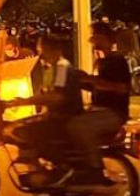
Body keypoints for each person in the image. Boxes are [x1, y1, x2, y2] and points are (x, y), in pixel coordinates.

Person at [67, 22, 131, 186]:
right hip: (97, 111)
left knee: (78, 126)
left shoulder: (117, 61)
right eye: (93, 38)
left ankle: (96, 170)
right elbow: (96, 87)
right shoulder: (100, 63)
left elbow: (120, 88)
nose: (93, 42)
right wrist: (78, 81)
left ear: (107, 39)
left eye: (97, 37)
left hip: (113, 113)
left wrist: (91, 79)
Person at [6, 35, 83, 173]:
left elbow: (57, 98)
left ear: (55, 50)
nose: (40, 56)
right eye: (39, 52)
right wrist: (18, 102)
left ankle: (55, 169)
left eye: (43, 51)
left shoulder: (62, 68)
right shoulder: (50, 69)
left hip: (66, 118)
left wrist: (27, 101)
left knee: (33, 133)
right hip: (52, 115)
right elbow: (42, 93)